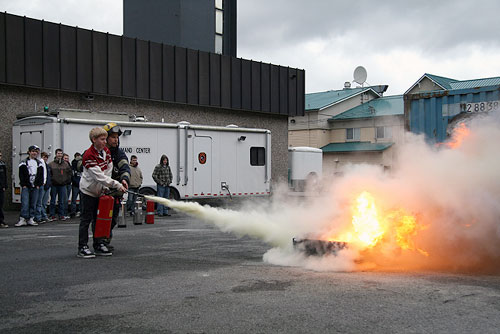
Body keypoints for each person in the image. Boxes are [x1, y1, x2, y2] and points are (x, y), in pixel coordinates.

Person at [78, 127, 126, 258]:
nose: (105, 142)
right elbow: (99, 176)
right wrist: (116, 185)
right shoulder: (89, 156)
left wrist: (106, 187)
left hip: (100, 191)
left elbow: (108, 169)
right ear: (94, 140)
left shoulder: (105, 152)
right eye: (102, 139)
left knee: (98, 219)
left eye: (105, 139)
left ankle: (98, 244)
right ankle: (82, 247)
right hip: (88, 191)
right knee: (86, 220)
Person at [103, 122, 130, 251]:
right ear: (106, 138)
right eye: (113, 137)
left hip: (114, 192)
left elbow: (125, 167)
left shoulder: (119, 154)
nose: (116, 140)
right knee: (99, 218)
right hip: (99, 192)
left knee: (112, 218)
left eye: (117, 137)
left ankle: (106, 240)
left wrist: (124, 179)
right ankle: (99, 242)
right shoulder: (98, 151)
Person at [16, 145, 43, 227]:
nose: (34, 153)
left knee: (33, 203)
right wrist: (23, 184)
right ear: (29, 152)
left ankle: (31, 218)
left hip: (35, 186)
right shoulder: (23, 162)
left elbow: (40, 175)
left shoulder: (39, 163)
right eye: (33, 151)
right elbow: (21, 174)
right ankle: (23, 218)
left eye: (36, 152)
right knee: (25, 202)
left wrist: (38, 184)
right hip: (26, 186)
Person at [48, 149, 72, 221]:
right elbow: (49, 174)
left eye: (61, 153)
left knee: (62, 201)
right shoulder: (51, 164)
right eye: (58, 153)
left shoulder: (65, 164)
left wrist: (66, 181)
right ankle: (52, 215)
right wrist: (52, 181)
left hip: (62, 185)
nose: (59, 155)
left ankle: (61, 215)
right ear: (56, 154)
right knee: (52, 201)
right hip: (54, 185)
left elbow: (69, 173)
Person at [34, 150, 49, 224]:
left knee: (43, 202)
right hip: (42, 184)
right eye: (44, 157)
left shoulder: (46, 165)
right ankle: (38, 216)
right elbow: (43, 174)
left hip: (46, 185)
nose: (45, 158)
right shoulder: (41, 163)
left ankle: (42, 215)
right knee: (39, 202)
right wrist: (43, 182)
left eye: (46, 157)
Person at [70, 152, 82, 217]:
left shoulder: (82, 164)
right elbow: (72, 175)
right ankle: (73, 212)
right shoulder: (73, 164)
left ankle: (80, 211)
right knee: (74, 199)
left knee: (81, 199)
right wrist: (75, 182)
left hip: (81, 184)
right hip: (75, 184)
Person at [0, 150, 7, 228]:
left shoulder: (2, 164)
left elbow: (4, 176)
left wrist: (5, 186)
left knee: (1, 205)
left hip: (1, 188)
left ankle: (1, 220)